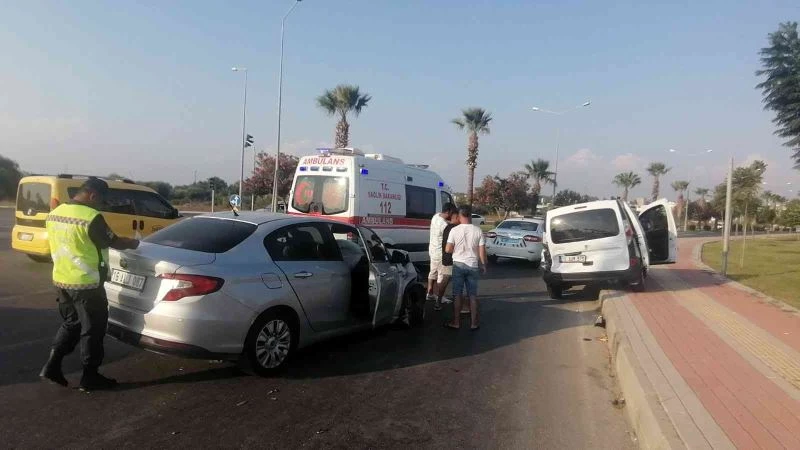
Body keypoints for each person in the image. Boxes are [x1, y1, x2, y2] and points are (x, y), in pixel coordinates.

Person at [39, 178, 140, 391]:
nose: (101, 205)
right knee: (93, 330)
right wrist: (134, 243)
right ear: (93, 195)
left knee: (71, 323)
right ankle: (90, 376)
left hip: (61, 279)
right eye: (102, 200)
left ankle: (52, 365)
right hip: (86, 284)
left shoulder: (56, 212)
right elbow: (113, 241)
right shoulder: (91, 217)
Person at [444, 206, 487, 330]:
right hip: (473, 265)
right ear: (470, 215)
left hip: (458, 264)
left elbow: (448, 249)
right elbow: (481, 251)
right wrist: (483, 265)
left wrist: (456, 249)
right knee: (472, 295)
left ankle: (456, 322)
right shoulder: (478, 230)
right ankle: (473, 323)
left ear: (460, 215)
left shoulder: (454, 230)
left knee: (457, 294)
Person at [427, 202, 457, 301]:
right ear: (448, 211)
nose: (452, 215)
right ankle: (439, 297)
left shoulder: (435, 216)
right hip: (440, 252)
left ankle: (430, 293)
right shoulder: (444, 225)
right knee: (441, 275)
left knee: (432, 272)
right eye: (452, 212)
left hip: (432, 250)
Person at [434, 213, 461, 311]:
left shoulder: (447, 227)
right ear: (457, 218)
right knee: (455, 280)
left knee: (446, 278)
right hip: (453, 257)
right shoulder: (455, 229)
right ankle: (458, 304)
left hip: (446, 257)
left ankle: (438, 300)